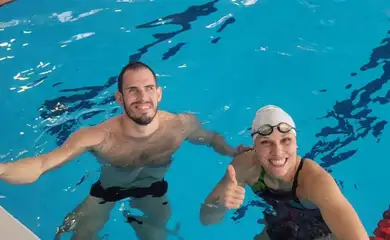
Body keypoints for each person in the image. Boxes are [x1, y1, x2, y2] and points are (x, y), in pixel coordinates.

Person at [0, 61, 243, 240]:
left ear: (159, 94)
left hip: (153, 190)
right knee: (80, 236)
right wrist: (2, 170)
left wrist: (232, 151)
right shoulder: (98, 136)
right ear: (119, 98)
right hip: (106, 192)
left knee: (157, 236)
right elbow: (42, 164)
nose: (142, 97)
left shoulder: (181, 125)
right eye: (133, 90)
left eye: (148, 88)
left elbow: (211, 139)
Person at [199, 105, 370, 240]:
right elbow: (207, 220)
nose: (278, 152)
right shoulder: (244, 166)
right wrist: (220, 204)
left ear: (296, 144)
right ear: (255, 147)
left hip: (322, 233)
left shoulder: (315, 181)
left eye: (286, 140)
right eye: (266, 142)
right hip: (279, 225)